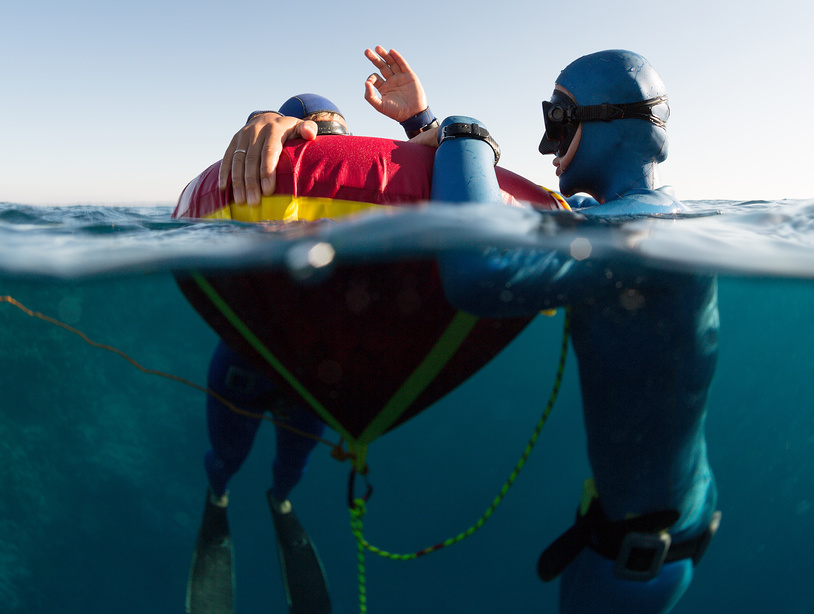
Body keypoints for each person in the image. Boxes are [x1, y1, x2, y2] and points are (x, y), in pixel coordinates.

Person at [229, 46, 721, 614]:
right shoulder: (617, 218)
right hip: (630, 525)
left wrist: (467, 135)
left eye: (556, 124)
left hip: (643, 555)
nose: (546, 147)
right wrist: (420, 125)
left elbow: (481, 273)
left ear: (609, 123)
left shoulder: (649, 238)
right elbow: (503, 214)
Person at [186, 95, 343, 614]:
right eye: (312, 129)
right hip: (264, 372)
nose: (322, 140)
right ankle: (225, 496)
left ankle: (268, 499)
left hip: (284, 376)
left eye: (334, 132)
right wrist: (260, 120)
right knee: (228, 461)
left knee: (281, 466)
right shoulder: (261, 196)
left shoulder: (357, 204)